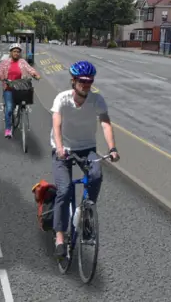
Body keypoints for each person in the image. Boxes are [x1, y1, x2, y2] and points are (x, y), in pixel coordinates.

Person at [49, 60, 120, 258]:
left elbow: (105, 124)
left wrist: (112, 148)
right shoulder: (62, 99)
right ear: (73, 81)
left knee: (96, 175)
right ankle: (60, 236)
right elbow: (56, 124)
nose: (86, 84)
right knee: (64, 190)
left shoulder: (97, 100)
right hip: (62, 149)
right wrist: (61, 148)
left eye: (89, 81)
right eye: (82, 80)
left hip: (86, 148)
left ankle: (87, 213)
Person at [0, 43, 41, 138]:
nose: (16, 53)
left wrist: (35, 75)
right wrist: (3, 78)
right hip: (8, 88)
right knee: (9, 110)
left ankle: (20, 113)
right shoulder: (5, 62)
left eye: (18, 52)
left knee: (23, 102)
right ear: (11, 52)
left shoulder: (22, 62)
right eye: (14, 51)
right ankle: (8, 129)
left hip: (20, 87)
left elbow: (30, 69)